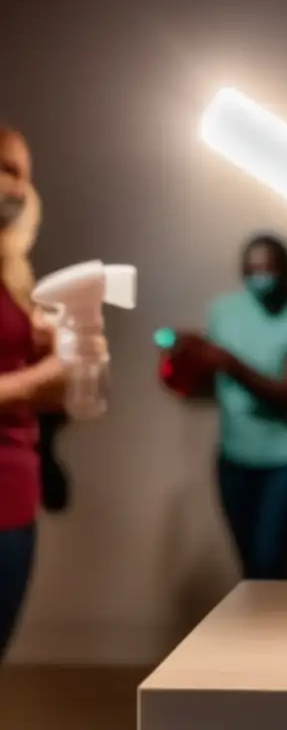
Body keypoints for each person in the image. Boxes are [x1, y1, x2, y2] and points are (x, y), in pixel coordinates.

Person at [169, 235, 287, 580]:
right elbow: (213, 383)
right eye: (253, 270)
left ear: (284, 271)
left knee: (271, 567)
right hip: (234, 459)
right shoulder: (224, 311)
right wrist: (182, 364)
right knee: (251, 571)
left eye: (268, 269)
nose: (260, 276)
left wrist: (227, 361)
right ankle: (258, 632)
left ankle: (277, 633)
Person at [0, 128, 68, 659]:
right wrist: (36, 380)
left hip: (14, 494)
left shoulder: (12, 275)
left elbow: (46, 397)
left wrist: (68, 367)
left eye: (23, 173)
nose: (18, 189)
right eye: (5, 168)